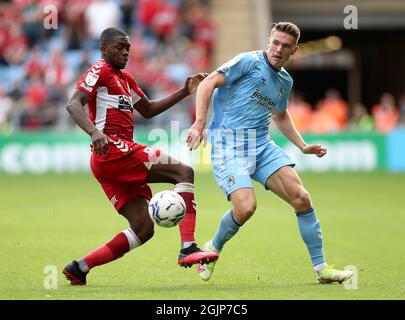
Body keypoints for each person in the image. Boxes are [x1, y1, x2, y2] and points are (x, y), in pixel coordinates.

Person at [187, 22, 353, 284]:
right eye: (275, 43)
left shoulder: (285, 81)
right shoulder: (247, 62)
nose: (277, 49)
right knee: (245, 208)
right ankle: (212, 248)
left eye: (285, 46)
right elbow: (207, 84)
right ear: (268, 41)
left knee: (301, 198)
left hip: (261, 146)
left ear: (294, 51)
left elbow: (280, 114)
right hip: (228, 146)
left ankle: (321, 269)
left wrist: (302, 146)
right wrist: (199, 124)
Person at [63, 27, 218, 285]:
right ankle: (188, 247)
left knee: (143, 229)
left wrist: (184, 92)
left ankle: (79, 267)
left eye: (128, 48)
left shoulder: (126, 79)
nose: (125, 52)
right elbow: (73, 104)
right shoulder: (99, 70)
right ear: (104, 49)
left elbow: (146, 109)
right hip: (112, 150)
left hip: (112, 159)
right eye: (119, 47)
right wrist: (94, 133)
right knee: (183, 172)